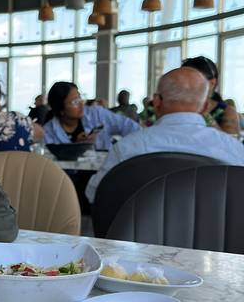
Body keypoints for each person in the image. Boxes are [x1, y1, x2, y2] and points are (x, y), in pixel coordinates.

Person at [85, 66, 244, 203]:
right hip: (214, 237)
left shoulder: (127, 147)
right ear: (205, 108)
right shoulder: (233, 149)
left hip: (136, 236)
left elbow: (94, 194)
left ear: (156, 102)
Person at [43, 81, 140, 151]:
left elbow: (129, 127)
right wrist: (77, 147)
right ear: (61, 110)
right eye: (75, 102)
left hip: (103, 172)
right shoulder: (48, 132)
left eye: (80, 98)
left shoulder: (96, 114)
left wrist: (124, 151)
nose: (81, 104)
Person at [181, 56, 239, 135]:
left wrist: (206, 116)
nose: (186, 86)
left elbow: (232, 143)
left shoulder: (226, 111)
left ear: (212, 83)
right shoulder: (174, 108)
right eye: (183, 80)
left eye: (194, 82)